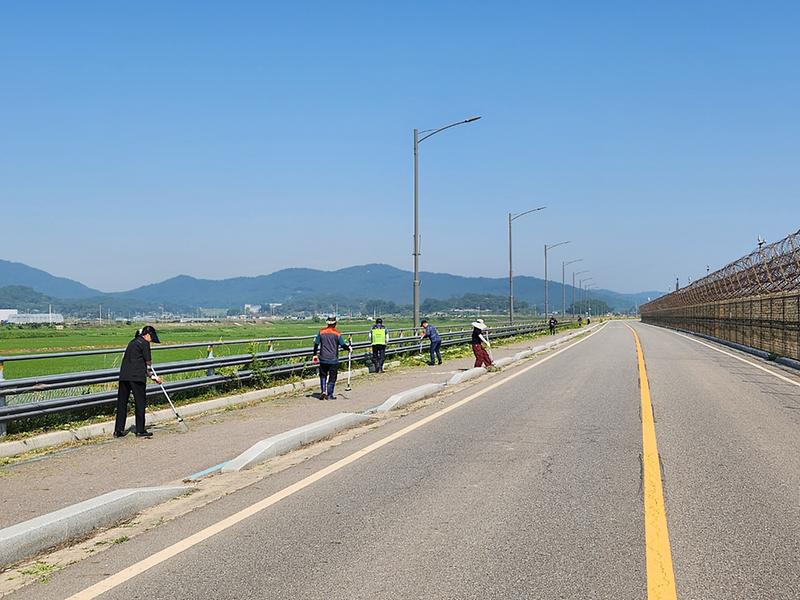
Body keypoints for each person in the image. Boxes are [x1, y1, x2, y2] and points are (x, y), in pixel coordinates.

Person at [114, 325, 162, 438]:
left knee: (122, 404)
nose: (151, 340)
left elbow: (137, 362)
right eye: (151, 337)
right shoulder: (144, 343)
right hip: (137, 378)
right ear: (147, 334)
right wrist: (151, 370)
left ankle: (118, 430)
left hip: (124, 377)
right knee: (140, 403)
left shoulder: (132, 342)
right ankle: (140, 430)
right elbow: (148, 362)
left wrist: (152, 377)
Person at [312, 316, 351, 399]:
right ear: (335, 324)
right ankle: (329, 395)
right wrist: (349, 349)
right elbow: (343, 345)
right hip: (333, 359)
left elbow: (316, 344)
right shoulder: (337, 333)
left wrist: (314, 354)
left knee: (323, 375)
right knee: (332, 377)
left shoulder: (321, 332)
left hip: (323, 358)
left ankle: (323, 391)